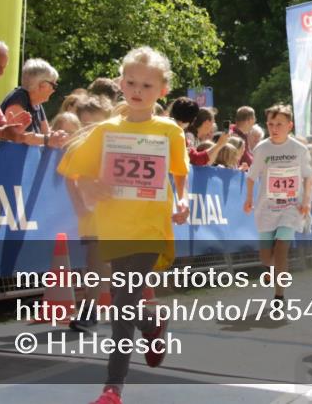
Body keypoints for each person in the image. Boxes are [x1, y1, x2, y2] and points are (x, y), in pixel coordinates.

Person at [57, 46, 190, 404]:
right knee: (122, 303)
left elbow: (181, 172)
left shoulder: (168, 131)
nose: (137, 90)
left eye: (147, 85)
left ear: (162, 89)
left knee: (123, 301)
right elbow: (76, 169)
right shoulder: (106, 130)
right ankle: (151, 325)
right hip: (112, 225)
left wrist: (182, 199)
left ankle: (113, 387)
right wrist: (89, 184)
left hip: (149, 227)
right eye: (131, 82)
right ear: (120, 83)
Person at [243, 104, 312, 300]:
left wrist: (306, 200)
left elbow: (308, 176)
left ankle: (279, 295)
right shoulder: (262, 148)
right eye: (271, 124)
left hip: (291, 206)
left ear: (289, 125)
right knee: (266, 257)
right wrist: (249, 198)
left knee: (282, 248)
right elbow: (251, 176)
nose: (274, 128)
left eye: (279, 124)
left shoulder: (299, 149)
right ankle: (272, 270)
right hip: (267, 208)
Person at [0, 59, 68, 147]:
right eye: (54, 85)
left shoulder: (37, 104)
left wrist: (58, 137)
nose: (54, 90)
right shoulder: (18, 97)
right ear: (42, 85)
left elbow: (46, 134)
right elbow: (17, 135)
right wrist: (49, 139)